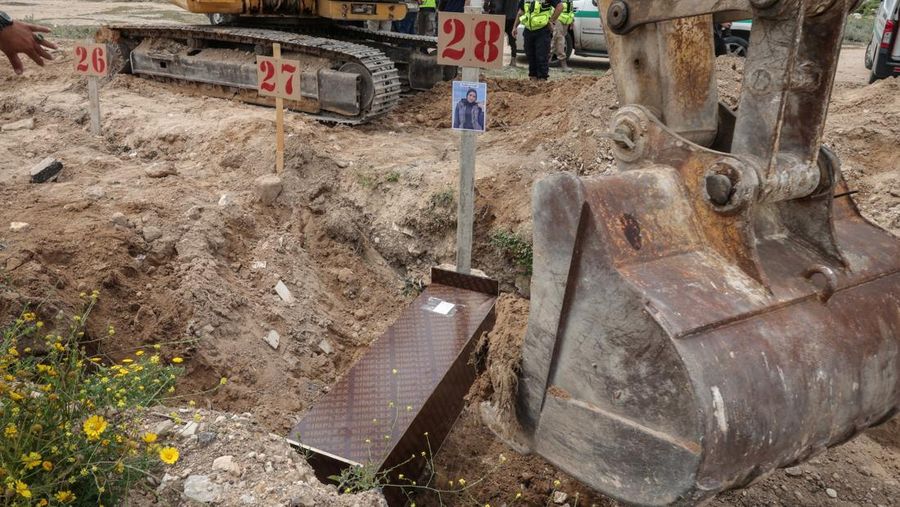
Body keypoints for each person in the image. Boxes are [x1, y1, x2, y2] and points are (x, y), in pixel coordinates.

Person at [513, 0, 562, 80]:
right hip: (528, 30)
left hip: (542, 30)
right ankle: (533, 79)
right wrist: (515, 27)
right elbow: (521, 12)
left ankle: (542, 80)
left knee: (541, 56)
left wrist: (551, 21)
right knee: (530, 56)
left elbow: (560, 6)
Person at [486, 0, 520, 67]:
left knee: (495, 39)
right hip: (513, 17)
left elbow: (498, 7)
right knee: (512, 39)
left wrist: (492, 12)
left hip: (501, 17)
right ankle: (513, 60)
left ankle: (493, 60)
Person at [550, 0, 574, 71]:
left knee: (555, 41)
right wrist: (552, 20)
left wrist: (572, 20)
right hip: (558, 18)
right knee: (560, 40)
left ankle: (545, 62)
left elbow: (570, 7)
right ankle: (563, 64)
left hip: (566, 20)